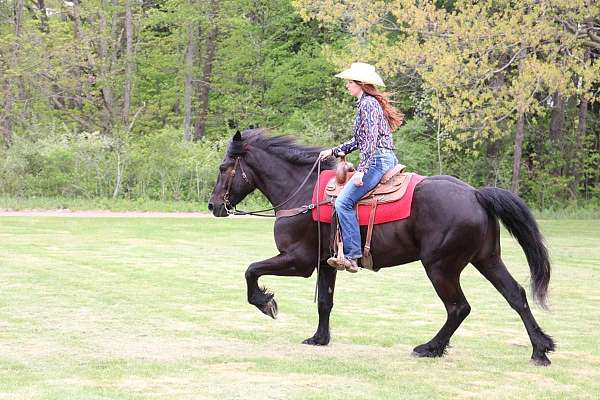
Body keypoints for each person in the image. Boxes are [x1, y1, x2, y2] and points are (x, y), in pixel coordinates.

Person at [319, 62, 404, 273]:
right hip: (383, 157)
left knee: (343, 203)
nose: (347, 85)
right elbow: (360, 140)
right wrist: (333, 150)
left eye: (349, 82)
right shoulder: (367, 103)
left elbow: (371, 140)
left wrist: (362, 171)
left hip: (377, 159)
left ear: (360, 84)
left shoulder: (367, 105)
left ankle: (352, 255)